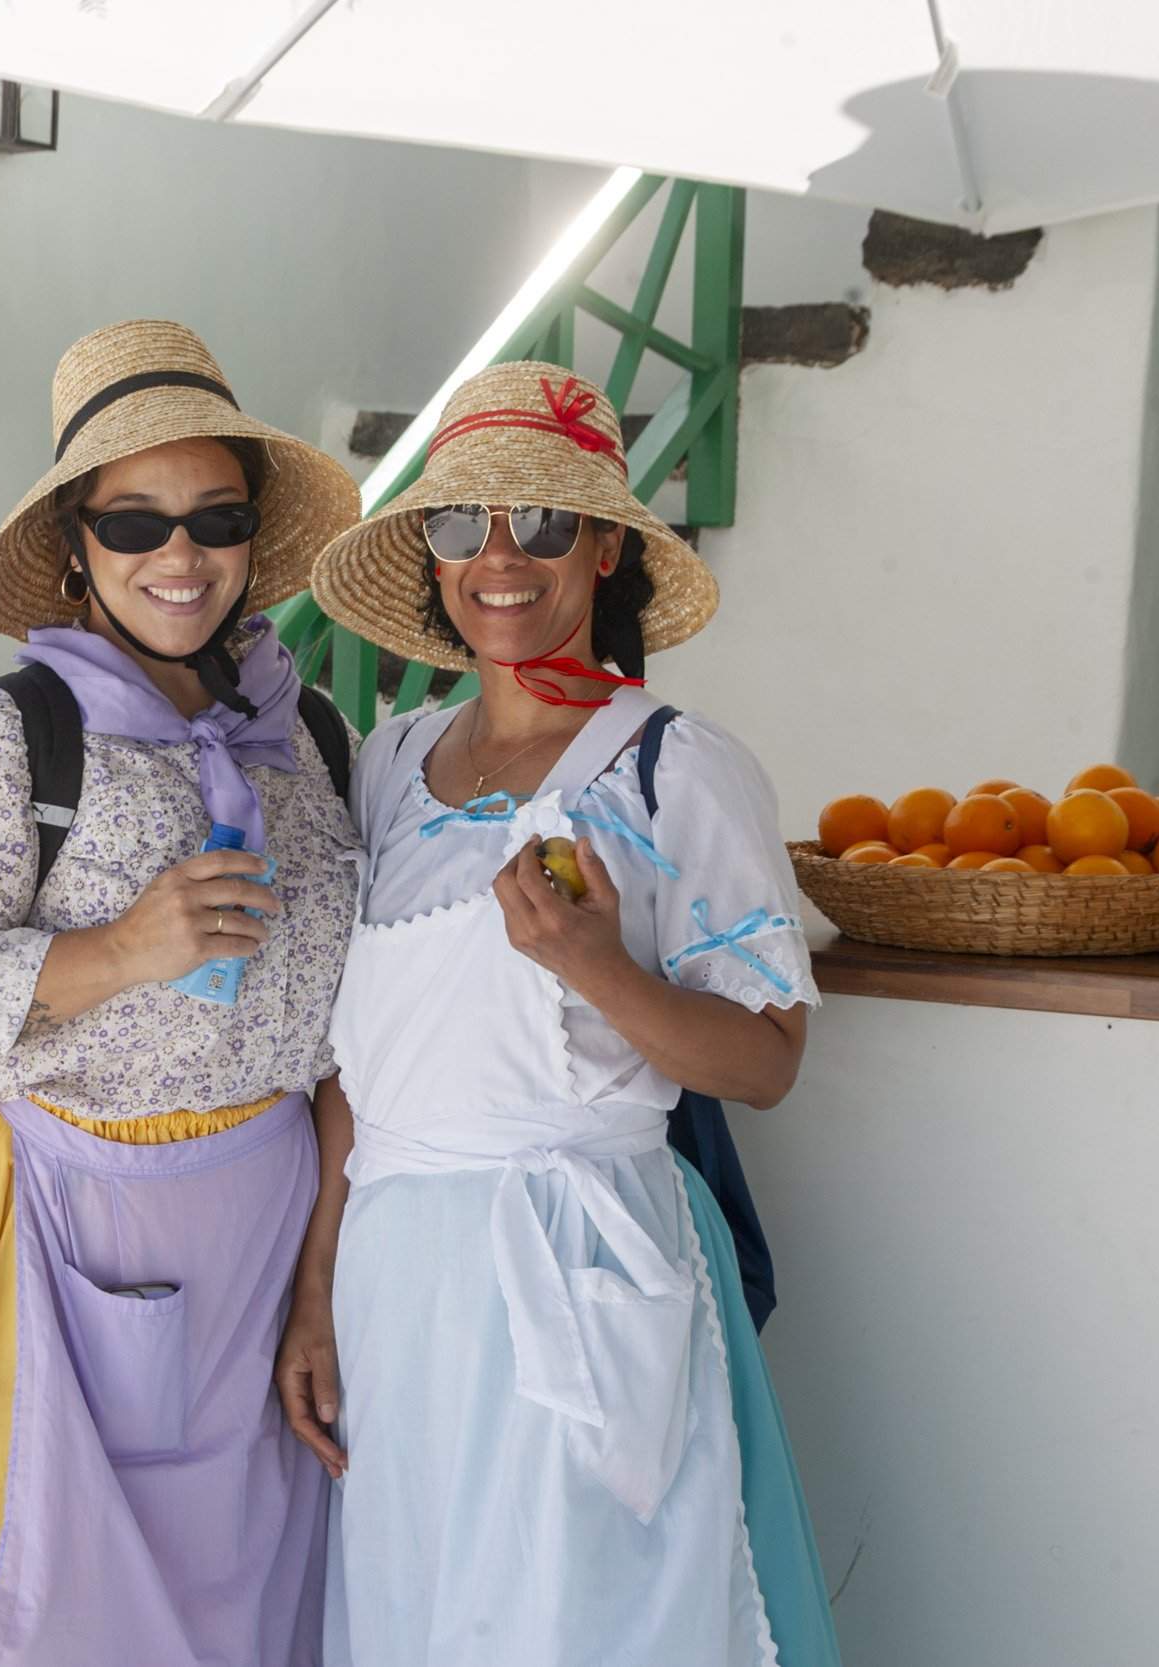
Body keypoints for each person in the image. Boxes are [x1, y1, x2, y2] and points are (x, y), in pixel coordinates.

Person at [0, 321, 364, 1666]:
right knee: (48, 1612)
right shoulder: (4, 739)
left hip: (266, 1254)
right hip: (49, 1234)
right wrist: (121, 949)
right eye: (134, 520)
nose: (180, 553)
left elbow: (344, 1034)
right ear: (73, 546)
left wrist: (325, 1274)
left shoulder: (308, 734)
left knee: (255, 1616)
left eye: (215, 517)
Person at [293, 363, 843, 1665]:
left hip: (578, 1267)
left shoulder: (676, 768)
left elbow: (764, 1060)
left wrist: (599, 966)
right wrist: (316, 1292)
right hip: (396, 1281)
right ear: (425, 557)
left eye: (542, 523)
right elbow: (351, 1075)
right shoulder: (385, 764)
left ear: (604, 548)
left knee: (584, 1617)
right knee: (417, 1609)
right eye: (458, 524)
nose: (499, 559)